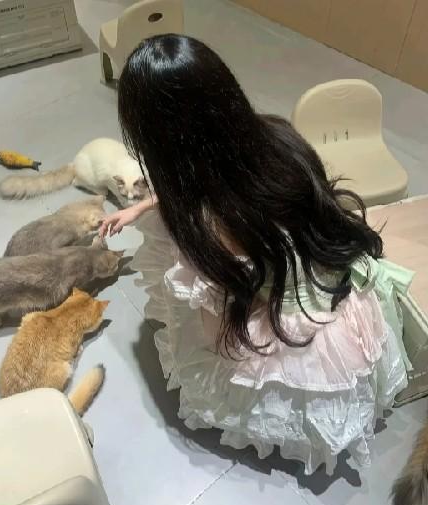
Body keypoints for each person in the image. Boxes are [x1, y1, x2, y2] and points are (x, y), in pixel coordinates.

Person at [100, 34, 413, 475]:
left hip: (298, 322)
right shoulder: (276, 134)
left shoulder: (212, 218)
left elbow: (220, 313)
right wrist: (143, 205)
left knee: (195, 303)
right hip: (335, 281)